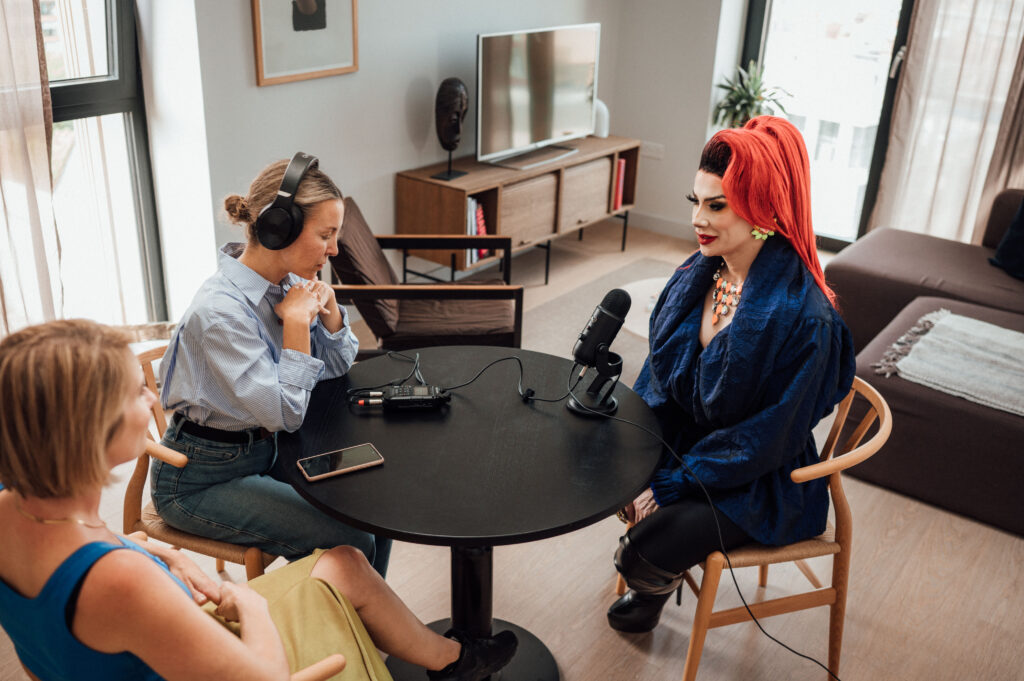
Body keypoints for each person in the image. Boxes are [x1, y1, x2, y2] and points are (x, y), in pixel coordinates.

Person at [0, 319, 517, 681]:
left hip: (119, 651)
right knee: (347, 564)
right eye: (138, 392)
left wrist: (162, 551)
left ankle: (450, 659)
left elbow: (73, 551)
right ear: (88, 430)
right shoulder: (120, 581)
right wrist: (250, 602)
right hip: (215, 659)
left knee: (346, 562)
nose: (155, 400)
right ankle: (455, 661)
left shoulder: (14, 504)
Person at [607, 116, 856, 633]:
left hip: (759, 475)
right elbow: (659, 379)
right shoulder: (696, 276)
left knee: (642, 551)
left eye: (716, 206)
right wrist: (643, 456)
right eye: (695, 201)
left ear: (763, 213)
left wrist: (673, 482)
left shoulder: (807, 319)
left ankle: (653, 581)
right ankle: (659, 568)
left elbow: (771, 435)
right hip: (689, 447)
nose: (698, 219)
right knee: (602, 475)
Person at [151, 154, 392, 576]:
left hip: (267, 451)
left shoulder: (291, 283)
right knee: (355, 538)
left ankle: (361, 634)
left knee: (377, 506)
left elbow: (335, 368)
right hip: (201, 479)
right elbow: (287, 414)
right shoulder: (219, 314)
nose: (335, 250)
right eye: (326, 235)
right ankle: (347, 634)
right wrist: (298, 325)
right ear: (278, 228)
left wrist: (330, 313)